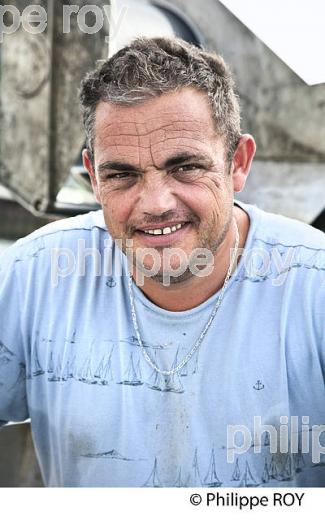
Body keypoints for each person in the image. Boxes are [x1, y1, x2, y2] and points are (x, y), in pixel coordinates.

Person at [0, 37, 324, 487]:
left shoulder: (314, 288)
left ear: (237, 163)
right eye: (122, 174)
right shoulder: (35, 275)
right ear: (93, 177)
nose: (153, 203)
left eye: (185, 167)